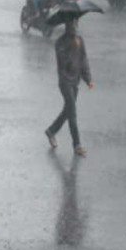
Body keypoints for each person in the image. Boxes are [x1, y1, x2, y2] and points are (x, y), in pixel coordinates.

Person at [46, 19, 95, 157]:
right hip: (65, 82)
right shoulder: (60, 43)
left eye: (75, 24)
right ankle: (77, 144)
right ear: (66, 26)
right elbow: (63, 63)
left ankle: (51, 131)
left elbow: (84, 61)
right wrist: (71, 47)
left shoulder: (80, 40)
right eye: (71, 25)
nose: (73, 27)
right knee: (72, 113)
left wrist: (88, 79)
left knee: (67, 111)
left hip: (76, 82)